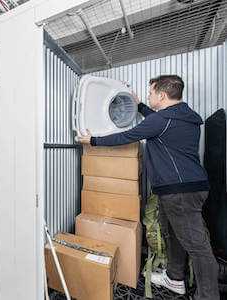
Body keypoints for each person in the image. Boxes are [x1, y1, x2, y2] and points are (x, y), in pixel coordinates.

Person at [79, 75, 219, 300]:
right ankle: (175, 278)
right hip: (186, 187)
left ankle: (208, 296)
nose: (148, 96)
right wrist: (140, 105)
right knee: (174, 235)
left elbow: (127, 136)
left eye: (151, 93)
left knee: (198, 246)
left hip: (179, 191)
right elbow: (158, 121)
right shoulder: (185, 117)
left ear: (162, 95)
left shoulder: (161, 121)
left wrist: (92, 140)